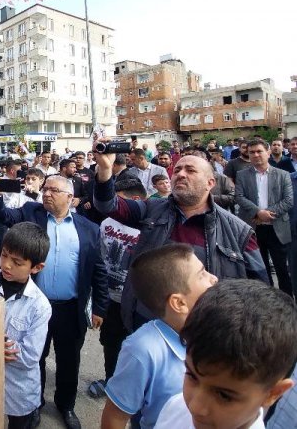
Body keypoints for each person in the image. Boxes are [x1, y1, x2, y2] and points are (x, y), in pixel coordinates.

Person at [92, 136, 267, 331]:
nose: (181, 174)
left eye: (190, 170)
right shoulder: (152, 209)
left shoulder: (239, 232)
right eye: (177, 170)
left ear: (210, 183)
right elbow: (108, 205)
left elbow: (260, 293)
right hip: (148, 322)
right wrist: (105, 169)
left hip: (206, 334)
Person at [0, 174, 108, 429]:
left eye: (54, 190)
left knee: (69, 360)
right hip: (33, 306)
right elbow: (4, 217)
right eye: (45, 189)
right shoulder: (32, 212)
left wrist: (99, 307)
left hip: (70, 308)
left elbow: (98, 270)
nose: (46, 193)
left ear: (70, 197)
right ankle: (35, 404)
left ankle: (66, 405)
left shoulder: (89, 229)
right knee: (34, 358)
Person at [101, 244, 218, 428]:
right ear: (179, 303)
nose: (214, 278)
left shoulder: (217, 330)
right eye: (202, 274)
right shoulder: (142, 350)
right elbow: (115, 416)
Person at [155, 280, 297, 429]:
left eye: (224, 395)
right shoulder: (175, 409)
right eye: (191, 376)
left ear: (273, 393)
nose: (195, 407)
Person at [0, 222, 51, 429]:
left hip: (18, 391)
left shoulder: (39, 305)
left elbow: (29, 357)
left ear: (36, 267)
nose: (6, 265)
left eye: (17, 262)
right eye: (4, 255)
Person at [89, 178, 147, 400]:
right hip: (110, 298)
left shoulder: (148, 227)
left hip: (136, 301)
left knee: (137, 347)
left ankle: (133, 390)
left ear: (134, 201)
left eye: (118, 201)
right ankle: (110, 380)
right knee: (110, 342)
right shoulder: (107, 223)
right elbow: (100, 258)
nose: (114, 207)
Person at [235, 139, 294, 296]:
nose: (255, 155)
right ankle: (265, 302)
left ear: (268, 153)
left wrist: (266, 213)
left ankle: (287, 302)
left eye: (259, 151)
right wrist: (258, 212)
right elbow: (239, 197)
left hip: (278, 228)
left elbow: (288, 201)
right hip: (253, 228)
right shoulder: (242, 175)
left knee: (282, 269)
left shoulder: (283, 175)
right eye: (251, 152)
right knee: (260, 269)